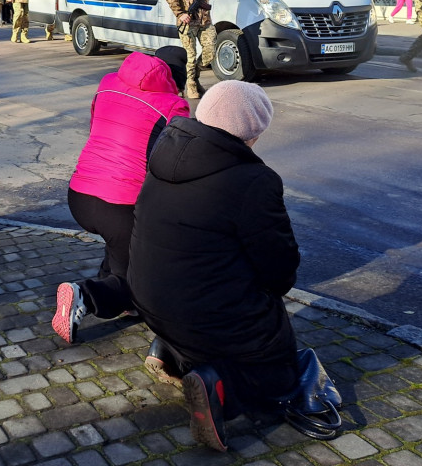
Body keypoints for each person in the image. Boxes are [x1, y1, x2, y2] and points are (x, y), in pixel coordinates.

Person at [127, 80, 303, 452]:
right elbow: (278, 266)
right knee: (280, 369)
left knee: (200, 296)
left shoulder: (164, 150)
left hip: (146, 297)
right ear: (252, 133)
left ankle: (171, 354)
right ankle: (218, 387)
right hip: (203, 312)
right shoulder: (253, 180)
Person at [52, 48, 189, 344]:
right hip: (119, 205)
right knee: (138, 281)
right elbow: (169, 162)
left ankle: (118, 299)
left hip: (80, 194)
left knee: (122, 250)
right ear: (176, 78)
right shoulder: (174, 105)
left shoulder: (107, 83)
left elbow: (95, 128)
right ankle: (84, 296)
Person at [165, 0, 216, 98]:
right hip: (187, 20)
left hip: (204, 20)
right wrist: (180, 14)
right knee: (190, 55)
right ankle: (191, 86)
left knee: (211, 51)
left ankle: (194, 77)